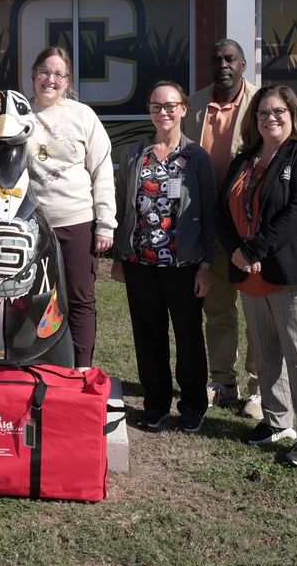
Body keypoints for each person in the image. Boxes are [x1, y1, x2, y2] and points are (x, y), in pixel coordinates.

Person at [215, 84, 297, 468]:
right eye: (263, 113)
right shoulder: (244, 159)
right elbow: (221, 210)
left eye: (279, 111)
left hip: (292, 273)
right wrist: (238, 251)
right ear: (254, 120)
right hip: (250, 272)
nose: (271, 118)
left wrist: (253, 249)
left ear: (293, 114)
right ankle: (277, 421)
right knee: (265, 354)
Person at [112, 81, 215, 433]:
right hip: (140, 264)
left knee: (188, 336)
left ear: (184, 109)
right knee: (148, 335)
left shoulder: (196, 157)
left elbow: (210, 214)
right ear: (149, 111)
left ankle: (192, 406)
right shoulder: (134, 154)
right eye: (156, 106)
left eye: (170, 105)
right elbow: (122, 207)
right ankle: (155, 404)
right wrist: (119, 255)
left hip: (184, 266)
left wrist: (206, 264)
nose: (163, 112)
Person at [24, 46, 116, 370]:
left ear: (67, 81)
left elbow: (102, 169)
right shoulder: (19, 115)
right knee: (34, 300)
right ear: (34, 74)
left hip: (77, 222)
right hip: (32, 227)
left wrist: (106, 223)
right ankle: (40, 364)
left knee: (79, 300)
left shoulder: (82, 116)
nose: (50, 79)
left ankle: (80, 369)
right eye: (44, 72)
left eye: (58, 74)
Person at [187, 38, 263, 419]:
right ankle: (222, 381)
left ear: (244, 64)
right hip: (209, 221)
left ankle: (259, 389)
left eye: (230, 58)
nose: (223, 64)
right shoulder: (194, 104)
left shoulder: (263, 103)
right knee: (217, 309)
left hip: (249, 225)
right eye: (216, 58)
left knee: (256, 311)